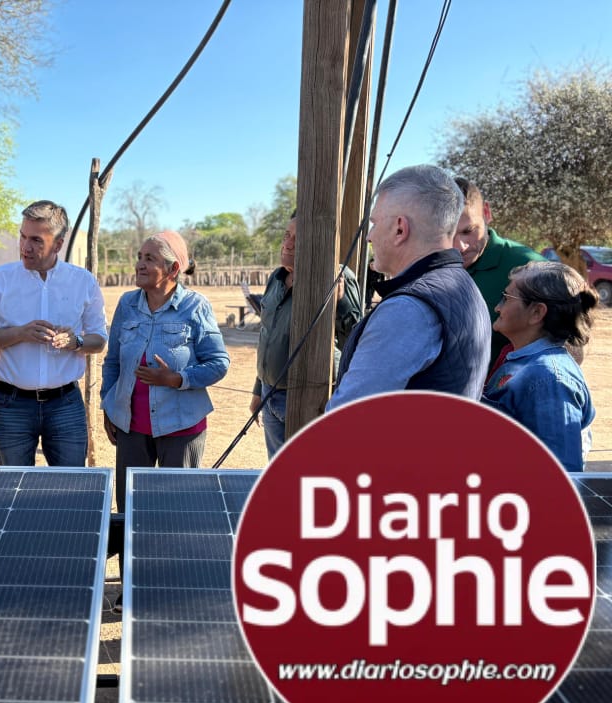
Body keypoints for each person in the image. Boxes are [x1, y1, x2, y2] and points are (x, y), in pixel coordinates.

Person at [327, 165, 490, 410]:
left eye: (374, 223)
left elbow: (345, 421)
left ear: (400, 229)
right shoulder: (464, 286)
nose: (369, 236)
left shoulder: (408, 310)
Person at [0, 200, 107, 466]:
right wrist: (20, 333)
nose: (25, 247)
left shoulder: (84, 282)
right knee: (15, 490)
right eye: (22, 236)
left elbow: (99, 339)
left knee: (70, 490)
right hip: (11, 405)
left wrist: (75, 341)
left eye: (36, 240)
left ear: (58, 244)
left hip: (66, 404)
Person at [101, 231, 229, 510]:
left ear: (173, 269)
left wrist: (177, 379)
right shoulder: (127, 304)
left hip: (182, 427)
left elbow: (219, 363)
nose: (140, 265)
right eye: (139, 257)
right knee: (130, 512)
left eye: (150, 259)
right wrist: (108, 406)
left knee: (177, 512)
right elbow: (113, 362)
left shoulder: (195, 306)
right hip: (131, 428)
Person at [250, 212, 362, 457]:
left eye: (298, 239)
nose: (287, 244)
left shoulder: (339, 276)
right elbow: (267, 334)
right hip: (271, 394)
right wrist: (258, 390)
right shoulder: (277, 277)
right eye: (286, 235)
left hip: (309, 399)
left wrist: (341, 302)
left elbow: (357, 338)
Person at [483, 263, 596, 471]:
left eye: (507, 299)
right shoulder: (523, 363)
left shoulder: (549, 379)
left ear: (536, 312)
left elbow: (561, 472)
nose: (498, 307)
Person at [454, 177, 544, 370]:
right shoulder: (426, 265)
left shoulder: (530, 267)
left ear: (486, 213)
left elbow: (571, 347)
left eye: (468, 231)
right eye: (447, 233)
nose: (459, 246)